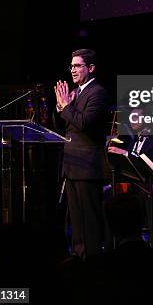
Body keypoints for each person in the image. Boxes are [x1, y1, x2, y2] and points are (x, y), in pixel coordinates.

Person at [54, 48, 109, 260]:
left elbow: (84, 123)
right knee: (76, 221)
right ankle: (79, 257)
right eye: (72, 66)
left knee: (89, 221)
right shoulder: (75, 93)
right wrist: (60, 107)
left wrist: (66, 105)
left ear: (91, 68)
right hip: (71, 165)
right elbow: (64, 124)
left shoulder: (98, 93)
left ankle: (92, 261)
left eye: (77, 66)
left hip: (87, 166)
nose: (73, 70)